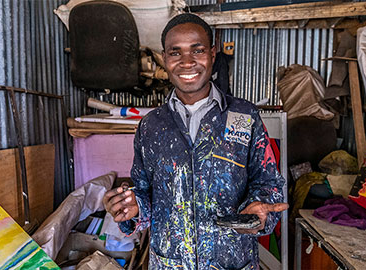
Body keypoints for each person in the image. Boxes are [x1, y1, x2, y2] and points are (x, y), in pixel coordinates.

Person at [103, 13, 288, 269]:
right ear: (165, 59)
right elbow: (144, 192)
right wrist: (132, 206)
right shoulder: (151, 126)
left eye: (197, 50)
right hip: (170, 264)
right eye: (175, 52)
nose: (187, 62)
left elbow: (268, 183)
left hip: (231, 262)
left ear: (213, 53)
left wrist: (256, 212)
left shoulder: (244, 116)